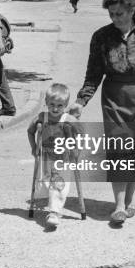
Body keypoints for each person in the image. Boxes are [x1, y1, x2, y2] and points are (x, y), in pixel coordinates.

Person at [68, 0, 135, 225]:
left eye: (120, 14)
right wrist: (81, 101)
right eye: (112, 14)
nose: (115, 18)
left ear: (133, 10)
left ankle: (130, 200)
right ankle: (120, 205)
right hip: (114, 99)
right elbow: (93, 75)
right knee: (119, 151)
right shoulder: (101, 37)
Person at [27, 84, 79, 229]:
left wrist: (76, 148)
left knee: (58, 183)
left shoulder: (68, 119)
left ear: (66, 105)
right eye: (52, 105)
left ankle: (54, 213)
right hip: (45, 157)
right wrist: (33, 147)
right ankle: (49, 202)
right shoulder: (41, 117)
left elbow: (81, 133)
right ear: (46, 102)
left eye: (60, 105)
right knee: (45, 182)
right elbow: (30, 131)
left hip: (63, 157)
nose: (55, 109)